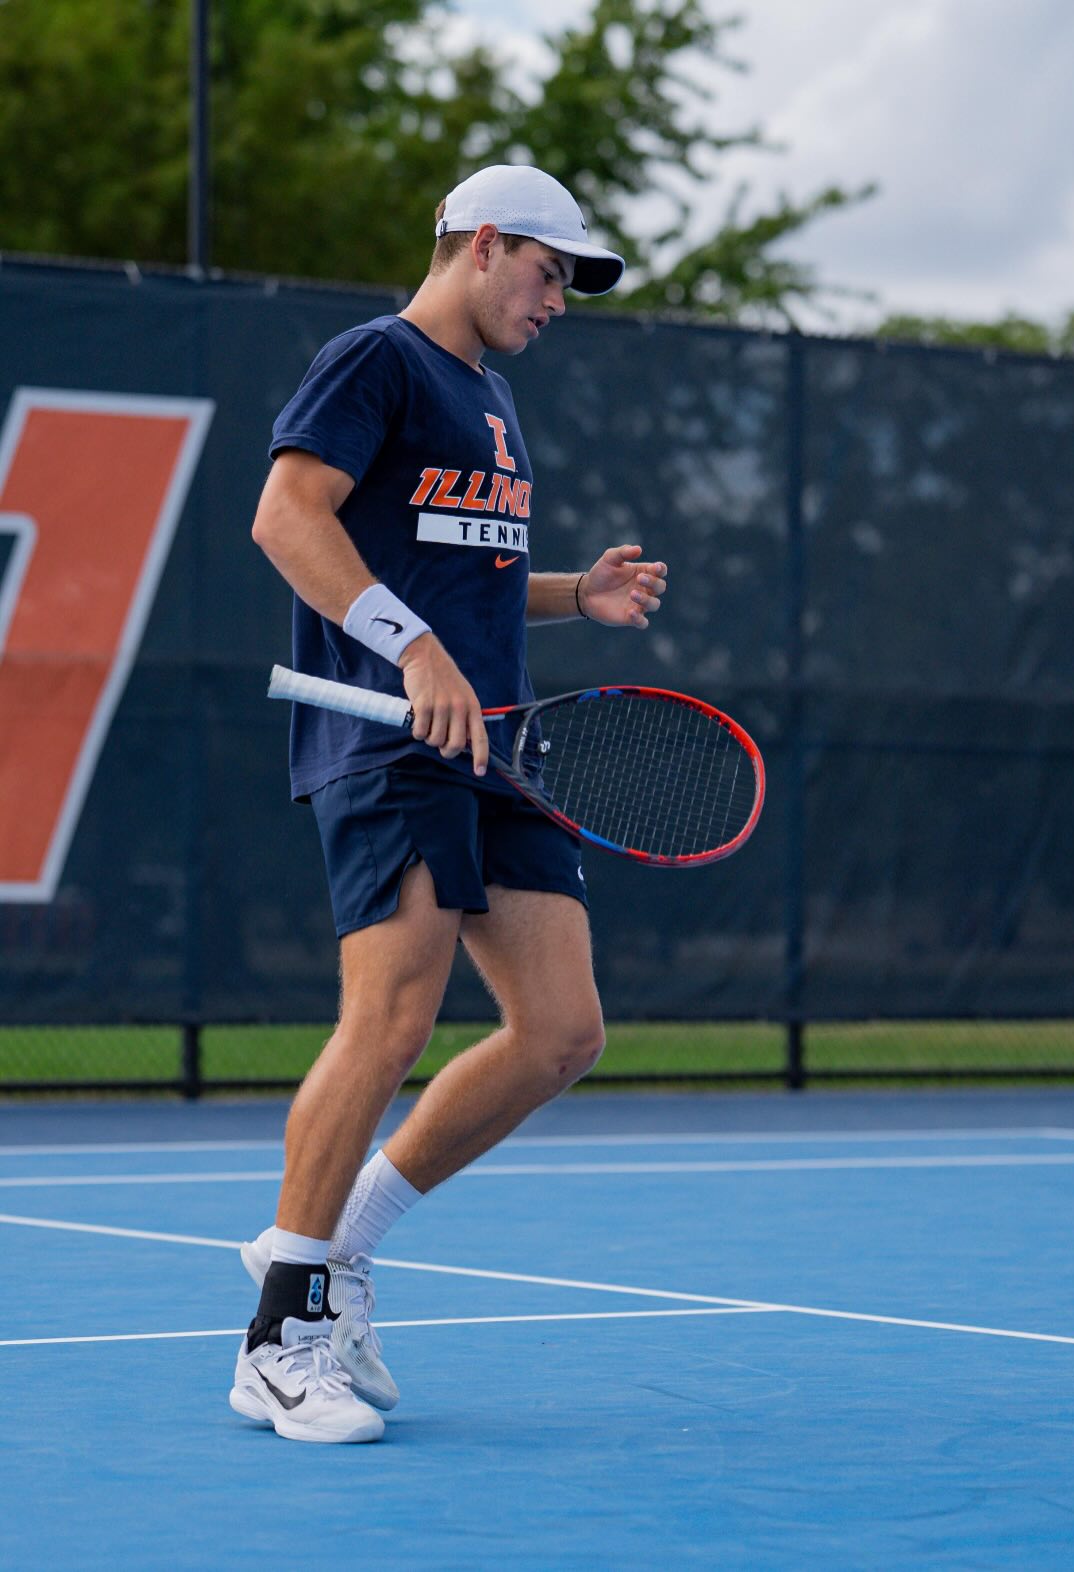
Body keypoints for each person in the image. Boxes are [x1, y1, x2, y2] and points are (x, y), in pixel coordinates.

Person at [229, 164, 668, 1443]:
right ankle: (279, 1338)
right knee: (391, 1020)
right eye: (548, 270)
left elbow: (464, 563)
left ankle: (341, 1248)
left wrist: (575, 592)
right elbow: (286, 517)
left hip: (499, 747)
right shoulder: (377, 359)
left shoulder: (493, 398)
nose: (559, 299)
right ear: (482, 244)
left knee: (562, 1032)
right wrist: (411, 650)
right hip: (390, 740)